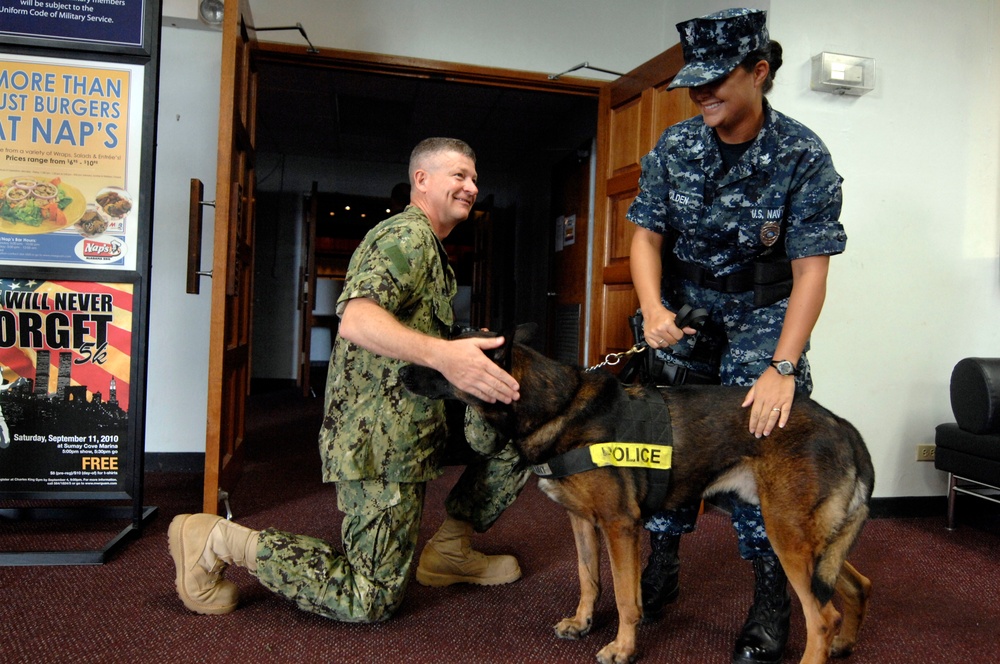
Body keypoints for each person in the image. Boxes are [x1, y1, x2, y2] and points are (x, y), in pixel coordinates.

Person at [169, 137, 531, 622]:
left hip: (419, 420)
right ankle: (219, 540)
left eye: (474, 178)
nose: (471, 187)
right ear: (421, 180)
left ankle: (450, 550)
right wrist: (447, 355)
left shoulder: (434, 249)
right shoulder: (405, 237)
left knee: (523, 432)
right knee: (371, 600)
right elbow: (358, 320)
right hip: (380, 439)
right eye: (459, 176)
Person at [626, 9, 847, 664]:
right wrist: (652, 309)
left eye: (715, 81)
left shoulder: (802, 155)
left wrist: (783, 364)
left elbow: (811, 272)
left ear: (760, 71)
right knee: (662, 448)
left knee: (766, 458)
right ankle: (661, 562)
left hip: (762, 318)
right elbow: (645, 236)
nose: (702, 96)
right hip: (686, 311)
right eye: (693, 85)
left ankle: (770, 600)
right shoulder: (675, 146)